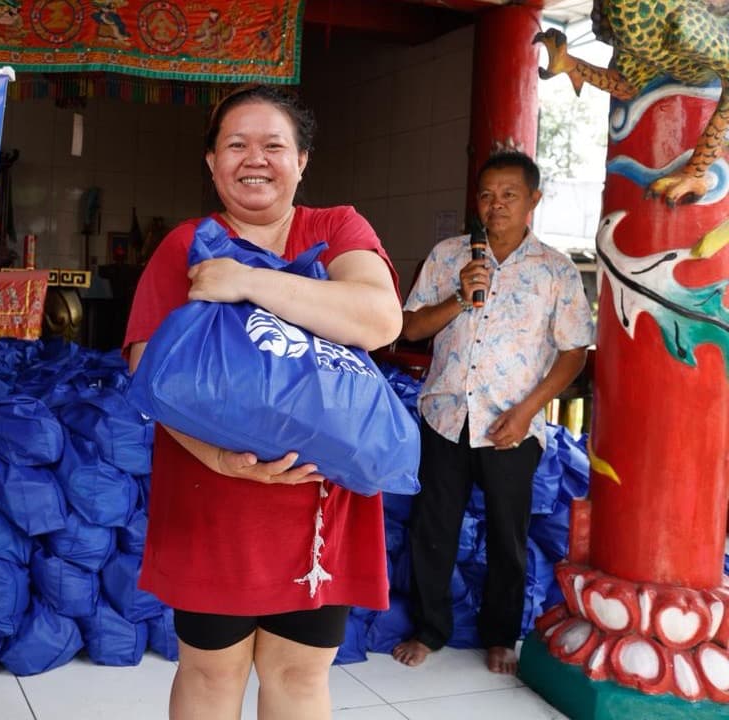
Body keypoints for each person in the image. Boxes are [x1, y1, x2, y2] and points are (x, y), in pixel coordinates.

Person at [124, 84, 403, 720]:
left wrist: (245, 281)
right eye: (236, 145)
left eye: (273, 145)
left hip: (320, 503)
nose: (255, 158)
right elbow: (147, 371)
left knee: (299, 677)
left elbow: (379, 318)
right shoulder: (186, 244)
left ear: (301, 160)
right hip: (213, 497)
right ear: (212, 162)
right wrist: (218, 458)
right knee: (211, 674)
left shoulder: (336, 229)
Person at [392, 151, 593, 675]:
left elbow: (573, 351)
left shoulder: (555, 269)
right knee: (433, 528)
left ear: (533, 200)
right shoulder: (448, 256)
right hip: (445, 415)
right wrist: (461, 297)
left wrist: (528, 412)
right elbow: (410, 328)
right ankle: (430, 629)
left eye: (508, 195)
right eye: (486, 195)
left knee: (508, 534)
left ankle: (501, 636)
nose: (495, 205)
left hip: (512, 424)